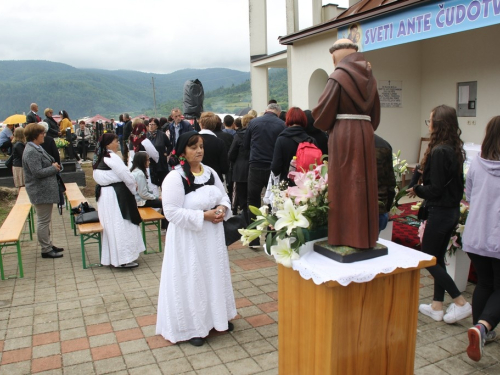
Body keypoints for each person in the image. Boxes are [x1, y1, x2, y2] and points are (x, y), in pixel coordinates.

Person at [156, 131, 236, 346]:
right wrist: (203, 216)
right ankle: (192, 327)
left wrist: (221, 208)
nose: (199, 150)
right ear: (183, 150)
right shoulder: (175, 178)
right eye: (193, 147)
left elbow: (224, 196)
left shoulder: (210, 172)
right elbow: (171, 212)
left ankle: (217, 318)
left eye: (201, 146)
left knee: (213, 273)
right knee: (193, 276)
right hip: (188, 239)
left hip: (213, 237)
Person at [312, 39, 380, 250]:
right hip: (365, 133)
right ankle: (365, 237)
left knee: (344, 185)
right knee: (363, 183)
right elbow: (376, 116)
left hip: (343, 134)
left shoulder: (337, 77)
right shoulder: (371, 78)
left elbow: (322, 114)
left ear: (335, 56)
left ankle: (345, 236)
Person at [406, 105, 471, 324]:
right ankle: (436, 306)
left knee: (428, 259)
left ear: (439, 124)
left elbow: (436, 189)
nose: (429, 124)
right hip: (450, 211)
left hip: (441, 211)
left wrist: (417, 189)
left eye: (431, 120)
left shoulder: (440, 151)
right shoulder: (452, 148)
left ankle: (461, 302)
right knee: (437, 257)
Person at [462, 116, 500, 361]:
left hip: (476, 234)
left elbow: (469, 194)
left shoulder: (476, 162)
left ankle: (479, 330)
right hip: (497, 236)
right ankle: (483, 327)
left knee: (485, 284)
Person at [93, 133, 145, 268]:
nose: (117, 144)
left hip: (105, 195)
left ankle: (114, 257)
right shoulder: (111, 156)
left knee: (111, 226)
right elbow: (125, 174)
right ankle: (124, 258)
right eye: (116, 141)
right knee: (121, 225)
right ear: (108, 144)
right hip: (116, 195)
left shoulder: (99, 157)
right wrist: (134, 188)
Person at [244, 103, 286, 247]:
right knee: (273, 203)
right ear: (278, 112)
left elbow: (246, 145)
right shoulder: (282, 124)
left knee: (253, 201)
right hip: (272, 169)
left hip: (255, 165)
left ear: (266, 109)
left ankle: (253, 239)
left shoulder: (253, 122)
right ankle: (271, 237)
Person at [22, 123, 63, 259]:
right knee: (43, 221)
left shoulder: (36, 147)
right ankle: (45, 249)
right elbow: (37, 172)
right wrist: (53, 168)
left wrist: (53, 165)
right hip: (40, 191)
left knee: (45, 220)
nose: (44, 135)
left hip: (44, 189)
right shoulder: (31, 151)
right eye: (42, 133)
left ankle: (48, 244)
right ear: (35, 135)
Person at [271, 107, 315, 182]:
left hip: (287, 185)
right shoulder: (311, 140)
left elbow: (276, 168)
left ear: (287, 119)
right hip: (307, 184)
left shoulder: (281, 140)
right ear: (304, 120)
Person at [130, 152, 168, 231]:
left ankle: (164, 227)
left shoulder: (134, 171)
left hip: (138, 200)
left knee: (163, 202)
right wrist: (156, 197)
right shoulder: (139, 174)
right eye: (147, 160)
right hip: (140, 201)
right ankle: (166, 227)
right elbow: (143, 194)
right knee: (165, 203)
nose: (149, 162)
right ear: (142, 161)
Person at [229, 114, 253, 218]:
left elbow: (231, 154)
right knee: (252, 196)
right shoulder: (255, 135)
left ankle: (244, 216)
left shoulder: (238, 136)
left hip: (240, 169)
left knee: (241, 195)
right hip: (252, 168)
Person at [374, 134, 396, 232]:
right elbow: (390, 182)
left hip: (352, 210)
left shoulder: (344, 142)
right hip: (379, 207)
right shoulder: (383, 144)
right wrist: (387, 207)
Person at [198, 112, 229, 182]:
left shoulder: (192, 140)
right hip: (215, 179)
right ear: (214, 125)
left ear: (201, 124)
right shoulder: (219, 142)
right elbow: (225, 168)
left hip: (196, 179)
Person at [147, 118, 171, 188]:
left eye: (153, 124)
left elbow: (169, 145)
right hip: (150, 163)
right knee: (153, 184)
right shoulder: (146, 136)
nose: (151, 126)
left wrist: (166, 153)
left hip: (161, 162)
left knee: (163, 182)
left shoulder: (162, 135)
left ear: (157, 126)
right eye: (150, 124)